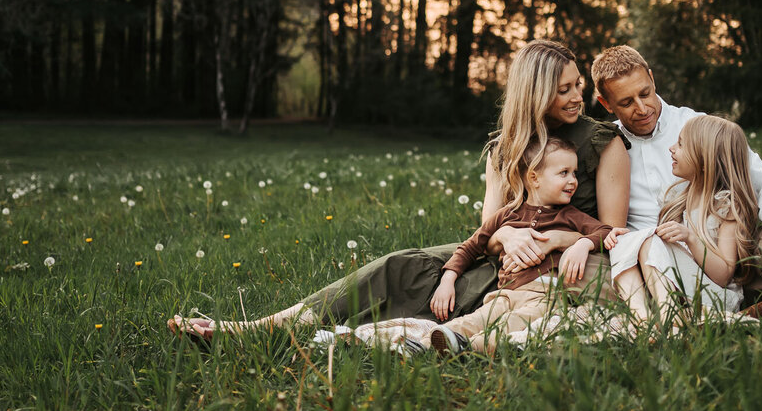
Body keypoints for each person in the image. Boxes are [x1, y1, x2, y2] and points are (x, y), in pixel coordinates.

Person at [168, 39, 630, 342]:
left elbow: (616, 235)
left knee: (434, 302)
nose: (576, 97)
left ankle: (368, 336)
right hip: (499, 259)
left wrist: (557, 239)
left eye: (578, 86)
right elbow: (486, 233)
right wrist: (506, 236)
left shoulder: (601, 143)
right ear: (534, 93)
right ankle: (262, 328)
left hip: (563, 269)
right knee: (397, 266)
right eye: (564, 89)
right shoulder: (504, 150)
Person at [590, 45, 762, 324]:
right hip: (652, 271)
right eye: (627, 102)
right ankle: (711, 316)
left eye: (645, 93)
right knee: (589, 268)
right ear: (606, 104)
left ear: (652, 79)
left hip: (728, 258)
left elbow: (757, 179)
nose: (642, 109)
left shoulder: (695, 125)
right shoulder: (606, 146)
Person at [424, 136, 613, 354]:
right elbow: (471, 246)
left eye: (574, 173)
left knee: (512, 324)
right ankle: (425, 343)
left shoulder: (571, 216)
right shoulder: (507, 215)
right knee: (475, 320)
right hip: (505, 293)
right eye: (564, 173)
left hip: (545, 296)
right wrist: (447, 279)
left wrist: (583, 244)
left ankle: (470, 347)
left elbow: (605, 231)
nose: (573, 181)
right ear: (534, 178)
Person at [605, 115, 759, 323]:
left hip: (715, 296)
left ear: (705, 160)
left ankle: (671, 317)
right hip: (683, 289)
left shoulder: (725, 207)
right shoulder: (678, 198)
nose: (671, 148)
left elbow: (723, 275)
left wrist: (691, 238)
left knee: (649, 241)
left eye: (681, 144)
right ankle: (653, 314)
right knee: (628, 241)